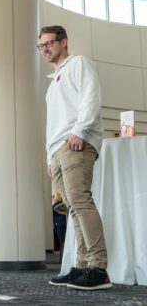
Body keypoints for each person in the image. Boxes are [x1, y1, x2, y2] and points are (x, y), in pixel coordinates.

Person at [38, 25, 111, 290]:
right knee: (72, 209)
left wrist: (80, 131)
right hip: (58, 150)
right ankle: (82, 265)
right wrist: (49, 157)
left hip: (75, 143)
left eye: (49, 43)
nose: (45, 49)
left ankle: (98, 268)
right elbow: (53, 122)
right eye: (41, 45)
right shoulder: (52, 82)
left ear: (64, 42)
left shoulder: (79, 64)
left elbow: (91, 97)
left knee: (81, 203)